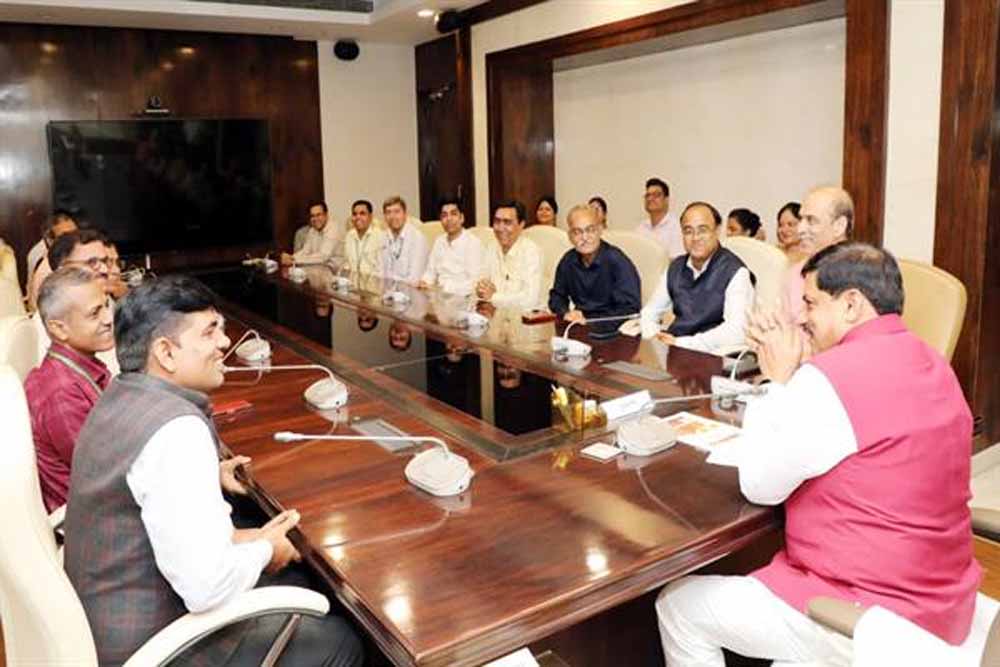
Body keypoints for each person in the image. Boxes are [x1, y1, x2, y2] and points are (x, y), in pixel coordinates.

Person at [656, 242, 979, 666]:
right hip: (943, 601)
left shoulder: (831, 379)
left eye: (810, 303)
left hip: (868, 614)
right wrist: (807, 373)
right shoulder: (933, 362)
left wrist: (777, 381)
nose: (802, 317)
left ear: (851, 304)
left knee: (679, 606)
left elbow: (760, 485)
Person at [64, 276, 363, 666]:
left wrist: (251, 540)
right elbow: (205, 588)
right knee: (341, 641)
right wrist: (266, 549)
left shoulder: (121, 395)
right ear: (166, 353)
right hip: (152, 648)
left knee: (293, 573)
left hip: (103, 625)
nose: (224, 342)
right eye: (209, 332)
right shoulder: (176, 432)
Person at [24, 267, 114, 513]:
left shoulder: (78, 367)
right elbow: (105, 474)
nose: (109, 318)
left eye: (106, 306)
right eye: (95, 313)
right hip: (94, 518)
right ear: (59, 329)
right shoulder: (61, 391)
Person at [640, 202, 754, 352]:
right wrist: (655, 337)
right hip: (675, 349)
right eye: (688, 231)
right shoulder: (676, 267)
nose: (695, 238)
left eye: (703, 230)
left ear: (717, 231)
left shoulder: (735, 272)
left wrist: (684, 343)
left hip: (712, 355)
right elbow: (649, 313)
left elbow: (737, 331)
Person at [549, 205, 641, 328]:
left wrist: (590, 320)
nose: (584, 238)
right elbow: (556, 296)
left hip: (612, 329)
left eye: (590, 230)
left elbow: (630, 309)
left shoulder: (617, 261)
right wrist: (566, 312)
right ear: (570, 236)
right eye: (577, 232)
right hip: (579, 326)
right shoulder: (568, 261)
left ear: (600, 230)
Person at [782, 187, 852, 324]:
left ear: (839, 226)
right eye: (801, 219)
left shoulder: (861, 276)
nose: (800, 229)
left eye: (811, 220)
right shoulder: (795, 274)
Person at [476, 199, 544, 309]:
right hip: (495, 313)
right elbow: (481, 283)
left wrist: (494, 297)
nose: (500, 228)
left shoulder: (531, 252)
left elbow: (530, 300)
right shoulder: (491, 247)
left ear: (521, 225)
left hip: (525, 316)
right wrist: (481, 289)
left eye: (507, 222)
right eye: (497, 221)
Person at [419, 197, 483, 294]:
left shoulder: (473, 243)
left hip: (463, 298)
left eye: (453, 214)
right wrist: (424, 282)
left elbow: (475, 282)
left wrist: (445, 288)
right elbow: (430, 272)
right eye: (444, 215)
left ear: (462, 218)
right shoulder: (439, 241)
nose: (449, 219)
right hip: (438, 296)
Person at [26, 210, 78, 310]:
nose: (74, 239)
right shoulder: (46, 266)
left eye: (76, 233)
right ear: (50, 241)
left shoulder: (75, 255)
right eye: (66, 236)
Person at [380, 196, 428, 285]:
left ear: (405, 214)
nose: (392, 216)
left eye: (397, 212)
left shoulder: (417, 238)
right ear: (384, 217)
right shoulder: (383, 237)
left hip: (409, 290)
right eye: (388, 212)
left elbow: (414, 278)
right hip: (387, 290)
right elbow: (380, 272)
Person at [280, 201, 341, 266]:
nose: (315, 219)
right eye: (312, 216)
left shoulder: (334, 229)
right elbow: (305, 251)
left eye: (318, 215)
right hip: (320, 267)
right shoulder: (312, 230)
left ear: (326, 215)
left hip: (336, 270)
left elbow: (322, 257)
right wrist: (291, 257)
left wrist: (294, 261)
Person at [635, 177, 684, 257]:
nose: (650, 199)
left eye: (656, 195)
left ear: (666, 200)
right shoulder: (641, 228)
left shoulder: (677, 227)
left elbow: (676, 260)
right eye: (647, 195)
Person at [342, 199, 384, 278]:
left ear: (370, 217)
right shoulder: (349, 236)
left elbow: (382, 269)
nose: (358, 217)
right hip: (353, 282)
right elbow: (347, 264)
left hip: (374, 282)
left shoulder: (380, 236)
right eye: (354, 214)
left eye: (362, 213)